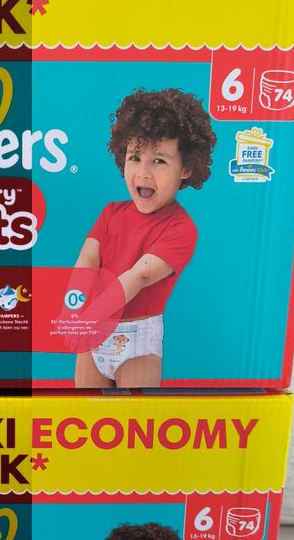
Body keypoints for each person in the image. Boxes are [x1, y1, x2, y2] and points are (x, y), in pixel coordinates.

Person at [74, 88, 216, 387]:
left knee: (134, 412)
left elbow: (139, 276)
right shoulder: (111, 213)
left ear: (186, 168)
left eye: (159, 161)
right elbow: (87, 259)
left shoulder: (180, 228)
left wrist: (92, 314)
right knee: (84, 408)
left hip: (136, 341)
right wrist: (73, 305)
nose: (143, 172)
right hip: (93, 333)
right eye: (135, 157)